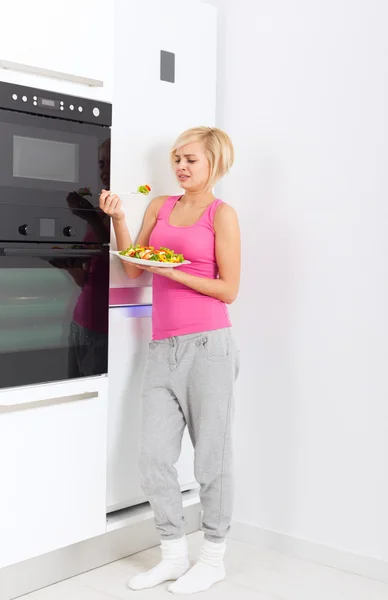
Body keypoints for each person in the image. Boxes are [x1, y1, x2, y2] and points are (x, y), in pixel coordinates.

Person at [99, 127, 241, 595]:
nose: (181, 167)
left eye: (191, 160)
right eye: (177, 159)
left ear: (215, 164)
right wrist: (119, 220)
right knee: (154, 458)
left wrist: (176, 272)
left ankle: (213, 557)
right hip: (162, 347)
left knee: (211, 460)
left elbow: (229, 290)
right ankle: (174, 556)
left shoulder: (223, 215)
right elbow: (136, 266)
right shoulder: (159, 206)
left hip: (209, 346)